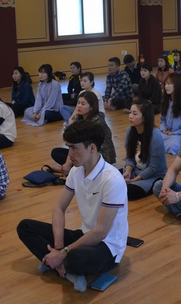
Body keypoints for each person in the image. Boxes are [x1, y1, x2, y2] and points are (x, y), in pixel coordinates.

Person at [17, 120, 128, 293]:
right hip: (85, 235)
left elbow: (100, 232)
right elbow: (59, 207)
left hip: (107, 247)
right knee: (25, 227)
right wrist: (59, 247)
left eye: (74, 148)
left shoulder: (112, 180)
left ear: (92, 148)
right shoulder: (76, 171)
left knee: (75, 257)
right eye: (68, 147)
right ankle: (65, 268)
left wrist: (63, 253)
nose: (70, 154)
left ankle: (59, 264)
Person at [50, 91, 116, 175]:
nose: (79, 106)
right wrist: (67, 163)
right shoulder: (78, 118)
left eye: (83, 104)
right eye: (78, 103)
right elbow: (72, 142)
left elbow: (84, 145)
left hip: (100, 154)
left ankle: (68, 169)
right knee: (56, 152)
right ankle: (70, 169)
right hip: (84, 150)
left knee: (78, 155)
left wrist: (68, 163)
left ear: (91, 107)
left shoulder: (96, 121)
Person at [123, 99, 167, 200]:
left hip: (153, 175)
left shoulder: (155, 136)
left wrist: (134, 180)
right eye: (130, 112)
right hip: (136, 169)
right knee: (112, 177)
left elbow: (153, 168)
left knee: (128, 191)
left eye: (135, 114)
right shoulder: (130, 131)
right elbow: (129, 157)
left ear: (144, 117)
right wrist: (128, 171)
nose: (130, 116)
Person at [160, 73, 181, 155]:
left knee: (174, 145)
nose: (166, 86)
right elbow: (162, 120)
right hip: (166, 133)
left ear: (177, 85)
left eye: (169, 84)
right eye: (165, 84)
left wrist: (173, 133)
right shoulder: (165, 99)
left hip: (179, 135)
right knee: (152, 135)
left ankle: (159, 146)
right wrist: (163, 129)